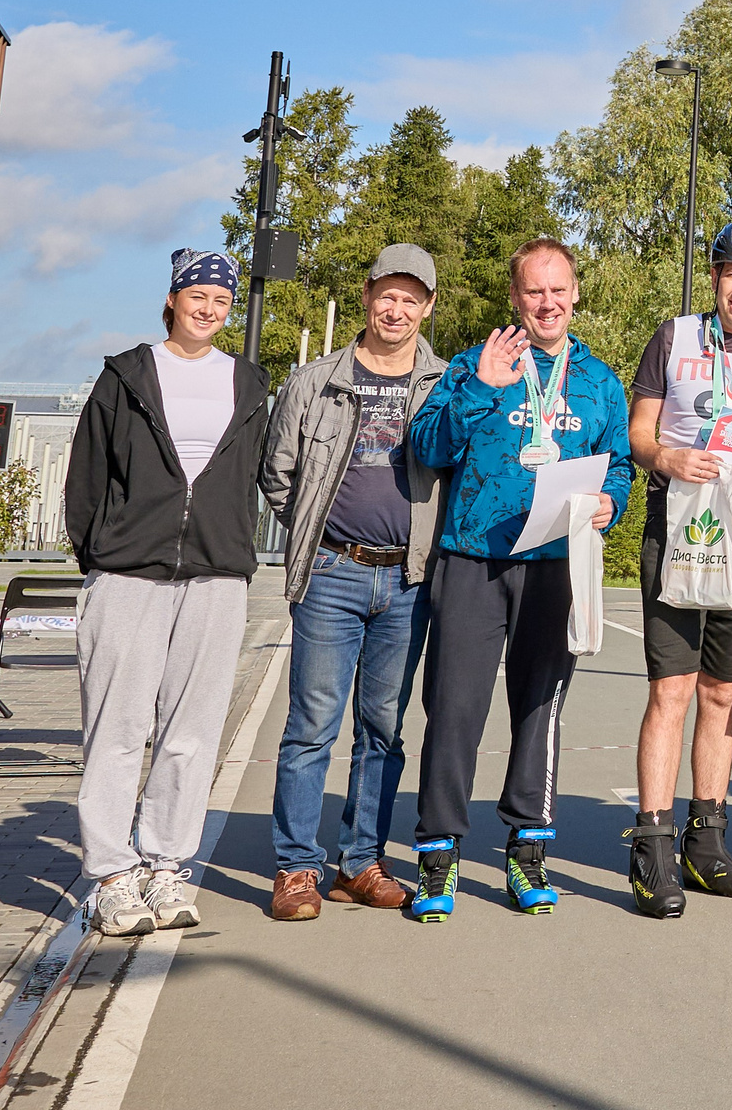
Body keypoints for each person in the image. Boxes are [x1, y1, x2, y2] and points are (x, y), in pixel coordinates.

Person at [405, 237, 633, 921]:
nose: (548, 302)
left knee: (541, 707)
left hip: (554, 565)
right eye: (534, 290)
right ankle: (437, 856)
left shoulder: (599, 379)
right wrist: (481, 388)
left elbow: (618, 464)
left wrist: (610, 503)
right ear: (515, 297)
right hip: (473, 558)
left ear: (575, 293)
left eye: (558, 288)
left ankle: (527, 848)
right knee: (454, 708)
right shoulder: (480, 361)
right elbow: (426, 445)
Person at [65, 249, 271, 937]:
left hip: (215, 574)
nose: (208, 308)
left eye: (220, 298)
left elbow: (250, 474)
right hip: (129, 572)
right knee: (118, 727)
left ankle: (166, 864)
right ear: (173, 297)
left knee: (193, 731)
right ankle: (113, 876)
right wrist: (102, 552)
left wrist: (232, 542)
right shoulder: (128, 373)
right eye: (197, 295)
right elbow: (87, 473)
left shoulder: (248, 380)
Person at [620, 220, 732, 917]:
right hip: (680, 526)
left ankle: (707, 841)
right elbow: (640, 430)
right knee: (672, 689)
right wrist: (666, 457)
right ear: (716, 276)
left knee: (723, 694)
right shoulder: (673, 336)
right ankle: (653, 846)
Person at [259, 245, 447, 921]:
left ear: (427, 306)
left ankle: (359, 861)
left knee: (383, 729)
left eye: (411, 298)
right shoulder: (315, 381)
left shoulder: (446, 383)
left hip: (407, 579)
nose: (396, 309)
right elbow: (278, 473)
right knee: (312, 725)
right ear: (368, 296)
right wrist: (321, 532)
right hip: (333, 572)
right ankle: (295, 868)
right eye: (386, 295)